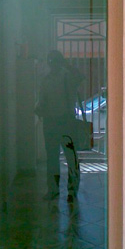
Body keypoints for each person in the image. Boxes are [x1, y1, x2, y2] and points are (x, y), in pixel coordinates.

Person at [35, 50, 85, 202]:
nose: (52, 64)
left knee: (67, 157)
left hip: (63, 122)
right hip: (54, 122)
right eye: (51, 61)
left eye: (53, 61)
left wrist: (66, 65)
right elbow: (42, 100)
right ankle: (58, 190)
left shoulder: (66, 77)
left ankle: (68, 190)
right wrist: (40, 109)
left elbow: (80, 76)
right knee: (56, 158)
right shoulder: (48, 79)